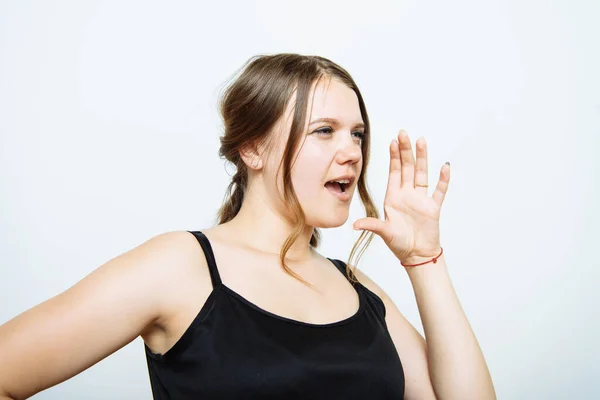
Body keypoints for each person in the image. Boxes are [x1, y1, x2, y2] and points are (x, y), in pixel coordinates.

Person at [0, 53, 496, 399]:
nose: (351, 152)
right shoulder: (180, 267)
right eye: (324, 131)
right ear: (252, 148)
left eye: (357, 134)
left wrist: (423, 261)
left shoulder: (358, 290)